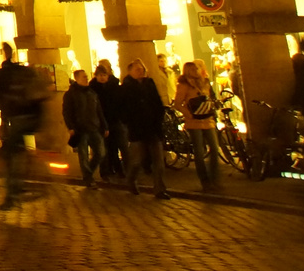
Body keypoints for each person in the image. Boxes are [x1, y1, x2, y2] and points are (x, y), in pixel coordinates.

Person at [0, 43, 39, 210]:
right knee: (20, 146)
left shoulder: (4, 75)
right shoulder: (22, 73)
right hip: (32, 115)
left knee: (10, 156)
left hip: (15, 115)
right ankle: (25, 170)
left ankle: (11, 195)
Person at [121, 58, 169, 198]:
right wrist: (130, 122)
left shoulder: (150, 83)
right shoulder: (126, 87)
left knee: (159, 161)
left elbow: (157, 103)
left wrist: (159, 118)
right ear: (130, 72)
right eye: (137, 69)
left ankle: (160, 189)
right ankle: (131, 180)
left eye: (142, 69)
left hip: (153, 128)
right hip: (137, 130)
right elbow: (124, 108)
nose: (140, 72)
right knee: (137, 160)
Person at [176, 60, 222, 192]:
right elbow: (178, 103)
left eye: (197, 69)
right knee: (199, 151)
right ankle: (205, 181)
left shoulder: (205, 82)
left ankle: (215, 178)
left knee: (214, 148)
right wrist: (189, 114)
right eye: (193, 69)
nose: (196, 71)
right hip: (194, 122)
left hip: (208, 120)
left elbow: (210, 98)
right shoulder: (183, 85)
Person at [61, 69, 107, 188]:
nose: (86, 79)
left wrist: (104, 126)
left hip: (94, 127)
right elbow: (67, 112)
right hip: (80, 129)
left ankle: (88, 173)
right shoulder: (71, 94)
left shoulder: (91, 92)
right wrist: (71, 127)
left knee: (101, 152)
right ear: (76, 78)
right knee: (83, 155)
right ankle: (88, 178)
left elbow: (99, 111)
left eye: (86, 76)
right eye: (83, 77)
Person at [89, 62, 125, 178]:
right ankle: (105, 171)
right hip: (100, 122)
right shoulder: (92, 89)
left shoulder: (114, 86)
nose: (102, 77)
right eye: (100, 75)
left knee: (115, 146)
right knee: (103, 149)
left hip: (114, 120)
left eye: (104, 75)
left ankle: (117, 168)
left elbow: (119, 103)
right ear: (96, 76)